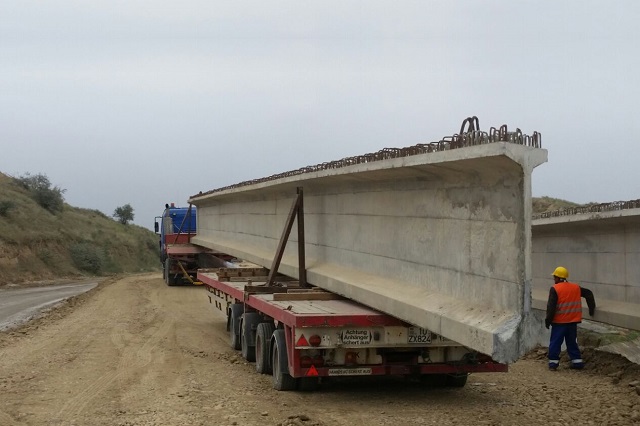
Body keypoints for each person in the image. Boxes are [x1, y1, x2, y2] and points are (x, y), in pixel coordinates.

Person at [545, 266, 596, 371]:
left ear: (558, 278)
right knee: (572, 342)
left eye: (554, 277)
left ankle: (553, 363)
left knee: (555, 342)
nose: (554, 279)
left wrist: (548, 321)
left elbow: (551, 307)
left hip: (559, 322)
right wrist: (592, 309)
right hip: (573, 321)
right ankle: (577, 362)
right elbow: (589, 294)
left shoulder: (555, 289)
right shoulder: (575, 287)